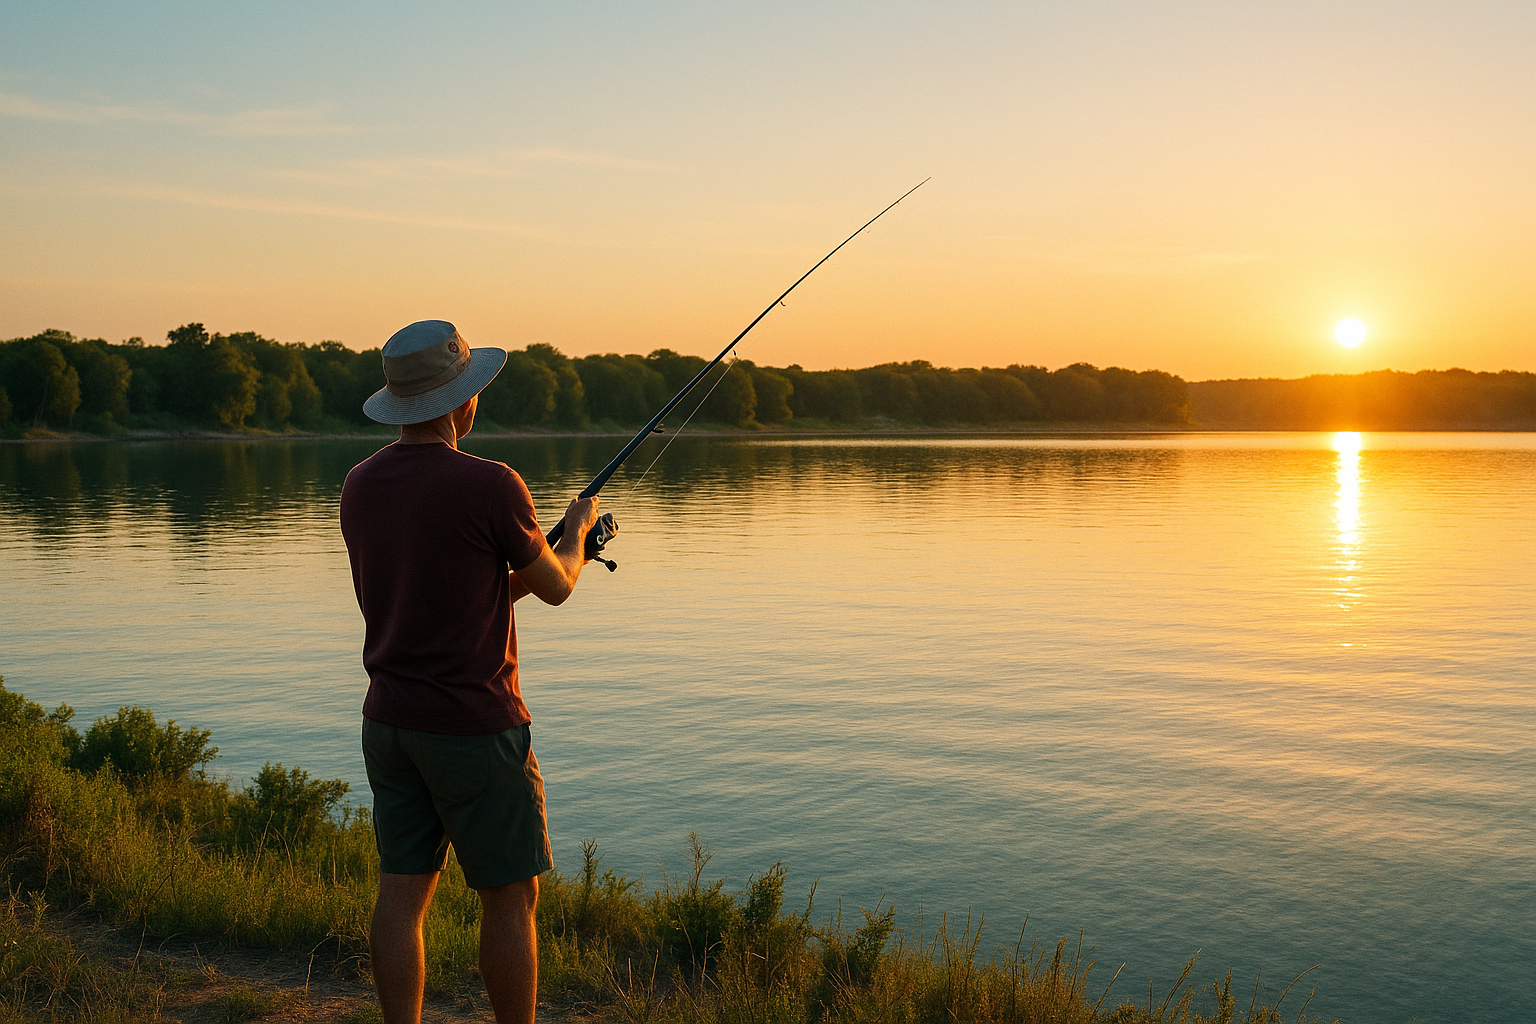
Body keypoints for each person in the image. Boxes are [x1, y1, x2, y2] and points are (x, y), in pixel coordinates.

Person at [339, 320, 600, 1024]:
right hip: (475, 727)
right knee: (511, 897)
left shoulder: (359, 485)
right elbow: (557, 586)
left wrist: (531, 550)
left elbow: (456, 594)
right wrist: (576, 535)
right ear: (462, 402)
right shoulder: (492, 484)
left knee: (401, 896)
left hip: (389, 723)